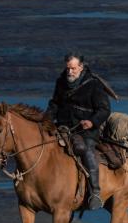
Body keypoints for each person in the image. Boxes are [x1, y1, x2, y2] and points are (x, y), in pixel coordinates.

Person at [44, 52, 111, 209]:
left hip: (85, 130)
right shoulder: (61, 82)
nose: (70, 72)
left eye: (73, 69)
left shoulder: (93, 84)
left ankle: (95, 192)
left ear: (81, 67)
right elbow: (54, 104)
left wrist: (92, 122)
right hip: (62, 126)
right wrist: (46, 120)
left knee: (86, 149)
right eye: (67, 69)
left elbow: (104, 109)